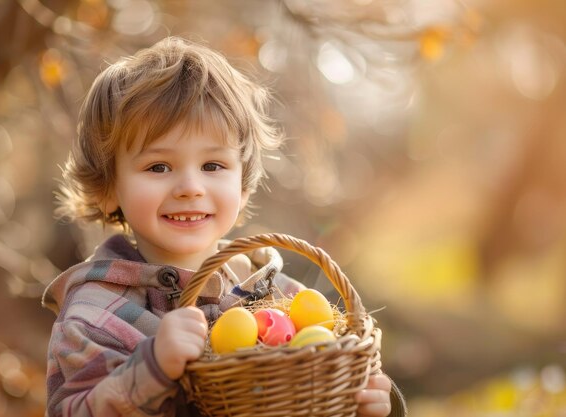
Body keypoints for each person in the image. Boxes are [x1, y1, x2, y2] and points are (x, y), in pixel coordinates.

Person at [43, 36, 406, 417]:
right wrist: (149, 370)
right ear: (107, 189)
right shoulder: (96, 313)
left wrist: (369, 405)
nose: (190, 188)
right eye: (158, 167)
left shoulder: (276, 294)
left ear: (243, 186)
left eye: (212, 166)